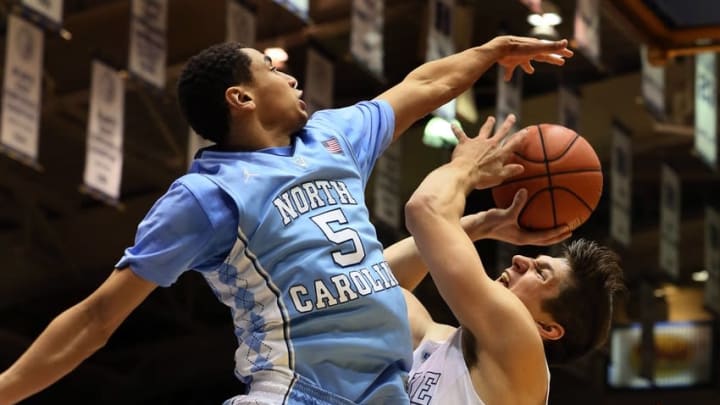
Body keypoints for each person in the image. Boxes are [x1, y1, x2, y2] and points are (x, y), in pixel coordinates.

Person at [0, 37, 573, 405]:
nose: (291, 76)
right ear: (241, 98)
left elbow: (421, 87)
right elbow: (98, 316)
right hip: (297, 392)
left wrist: (491, 51)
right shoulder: (206, 196)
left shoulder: (332, 137)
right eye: (273, 70)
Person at [384, 115, 625, 404]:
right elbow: (374, 284)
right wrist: (479, 226)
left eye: (540, 273)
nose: (521, 259)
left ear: (547, 328)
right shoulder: (441, 343)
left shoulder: (521, 348)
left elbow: (424, 209)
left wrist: (465, 166)